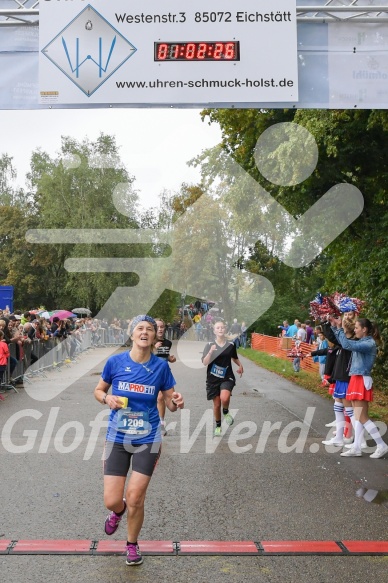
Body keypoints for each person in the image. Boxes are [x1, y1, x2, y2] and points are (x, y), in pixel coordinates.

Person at [93, 315, 184, 566]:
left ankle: (131, 545)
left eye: (150, 329)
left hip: (148, 438)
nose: (144, 332)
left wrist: (176, 403)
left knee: (135, 497)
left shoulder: (161, 367)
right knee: (112, 500)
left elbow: (170, 401)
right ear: (132, 334)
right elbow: (98, 390)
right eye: (140, 328)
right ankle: (118, 512)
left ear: (155, 337)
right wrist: (106, 399)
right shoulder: (115, 362)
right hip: (117, 437)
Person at [330, 315, 388, 459]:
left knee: (362, 417)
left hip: (361, 379)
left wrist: (341, 328)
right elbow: (344, 342)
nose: (355, 330)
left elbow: (347, 345)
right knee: (357, 417)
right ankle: (356, 447)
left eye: (357, 328)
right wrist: (337, 326)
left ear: (364, 329)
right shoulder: (363, 341)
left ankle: (381, 445)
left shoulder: (368, 344)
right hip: (356, 378)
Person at [202, 319, 243, 436]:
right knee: (216, 405)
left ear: (225, 330)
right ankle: (218, 426)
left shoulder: (231, 345)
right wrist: (210, 352)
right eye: (218, 328)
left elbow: (234, 357)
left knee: (224, 398)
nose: (220, 329)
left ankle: (226, 411)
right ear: (214, 331)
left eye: (222, 327)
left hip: (227, 377)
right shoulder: (210, 345)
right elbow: (205, 362)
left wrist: (240, 365)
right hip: (212, 379)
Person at [154, 318, 177, 436]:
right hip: (151, 373)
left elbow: (165, 355)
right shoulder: (149, 342)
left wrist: (170, 359)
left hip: (164, 373)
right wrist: (153, 348)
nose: (160, 329)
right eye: (157, 327)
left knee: (160, 398)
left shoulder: (168, 343)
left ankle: (161, 424)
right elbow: (143, 356)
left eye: (162, 327)